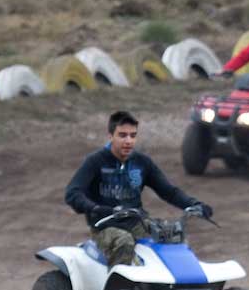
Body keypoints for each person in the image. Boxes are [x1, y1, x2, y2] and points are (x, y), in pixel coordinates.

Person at [65, 110, 212, 268]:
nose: (128, 141)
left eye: (133, 135)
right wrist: (95, 208)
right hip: (105, 226)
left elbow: (169, 191)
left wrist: (194, 204)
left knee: (173, 238)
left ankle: (176, 288)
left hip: (137, 222)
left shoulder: (142, 162)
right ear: (110, 136)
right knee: (124, 242)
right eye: (122, 135)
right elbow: (72, 193)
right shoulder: (95, 161)